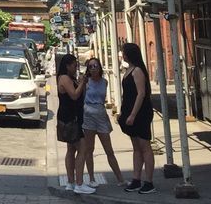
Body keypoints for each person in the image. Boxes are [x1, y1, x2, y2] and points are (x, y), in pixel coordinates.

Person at [80, 57, 124, 188]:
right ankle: (92, 178)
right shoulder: (85, 81)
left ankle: (120, 178)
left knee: (109, 150)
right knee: (89, 149)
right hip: (88, 115)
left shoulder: (104, 82)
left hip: (101, 114)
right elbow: (80, 98)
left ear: (99, 67)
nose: (93, 68)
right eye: (91, 66)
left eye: (95, 66)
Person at [118, 42, 155, 194]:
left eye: (124, 52)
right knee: (136, 147)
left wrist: (133, 114)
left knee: (144, 146)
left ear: (129, 54)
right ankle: (136, 178)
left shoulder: (138, 70)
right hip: (129, 111)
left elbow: (141, 93)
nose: (122, 55)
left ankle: (149, 181)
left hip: (140, 113)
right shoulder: (129, 69)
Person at [57, 53, 92, 193]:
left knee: (71, 149)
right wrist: (82, 82)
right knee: (82, 149)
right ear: (67, 66)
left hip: (71, 116)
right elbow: (74, 95)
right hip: (70, 118)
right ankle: (79, 183)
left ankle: (71, 182)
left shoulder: (69, 78)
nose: (75, 67)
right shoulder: (64, 78)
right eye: (73, 65)